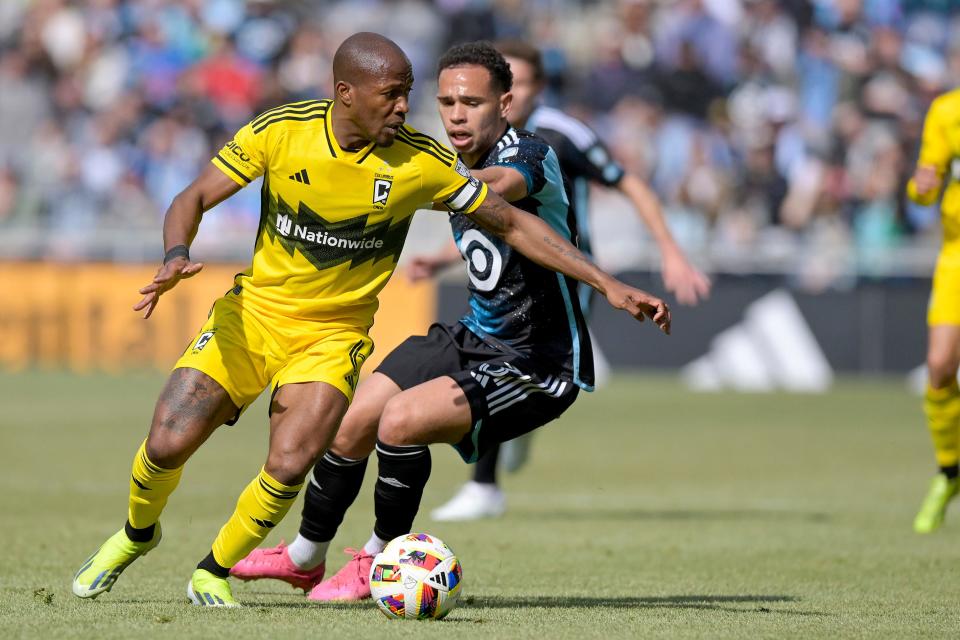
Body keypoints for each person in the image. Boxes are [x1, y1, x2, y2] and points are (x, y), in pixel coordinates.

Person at [70, 33, 669, 607]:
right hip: (258, 317)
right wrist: (176, 255)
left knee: (322, 449)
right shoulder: (284, 132)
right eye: (402, 96)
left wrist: (608, 284)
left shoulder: (441, 161)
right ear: (345, 93)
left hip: (382, 340)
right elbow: (193, 196)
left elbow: (507, 212)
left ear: (505, 103)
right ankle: (166, 538)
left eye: (418, 94)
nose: (413, 109)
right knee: (173, 440)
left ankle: (245, 567)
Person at [429, 40, 711, 522]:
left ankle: (485, 481)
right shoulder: (476, 139)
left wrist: (669, 248)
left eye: (517, 85)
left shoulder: (560, 135)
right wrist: (437, 260)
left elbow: (628, 182)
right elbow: (485, 220)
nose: (508, 98)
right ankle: (492, 470)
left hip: (564, 272)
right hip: (511, 272)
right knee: (494, 354)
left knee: (510, 355)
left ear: (530, 89)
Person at [907, 87, 960, 533]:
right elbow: (924, 187)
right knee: (940, 366)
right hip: (956, 258)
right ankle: (950, 473)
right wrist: (920, 188)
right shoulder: (947, 111)